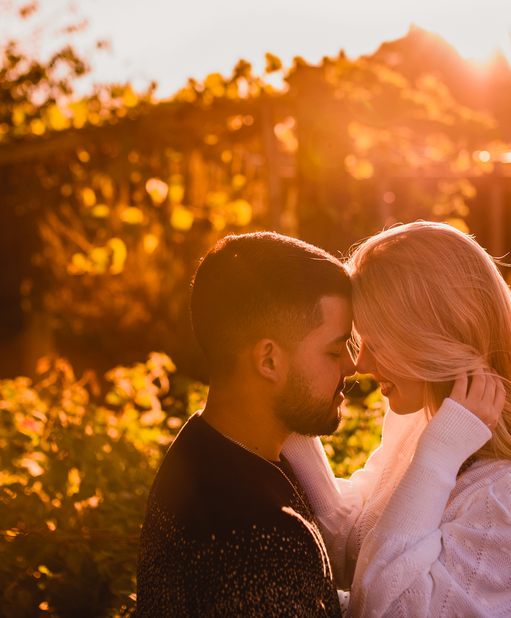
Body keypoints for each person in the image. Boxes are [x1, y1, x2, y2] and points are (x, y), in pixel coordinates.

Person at [282, 221, 511, 618]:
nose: (360, 364)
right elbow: (347, 551)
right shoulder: (424, 426)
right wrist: (282, 403)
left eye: (375, 343)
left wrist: (438, 457)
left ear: (432, 339)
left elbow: (388, 611)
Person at [135, 231, 356, 617]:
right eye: (335, 350)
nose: (352, 366)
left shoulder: (203, 448)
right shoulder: (261, 537)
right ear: (269, 361)